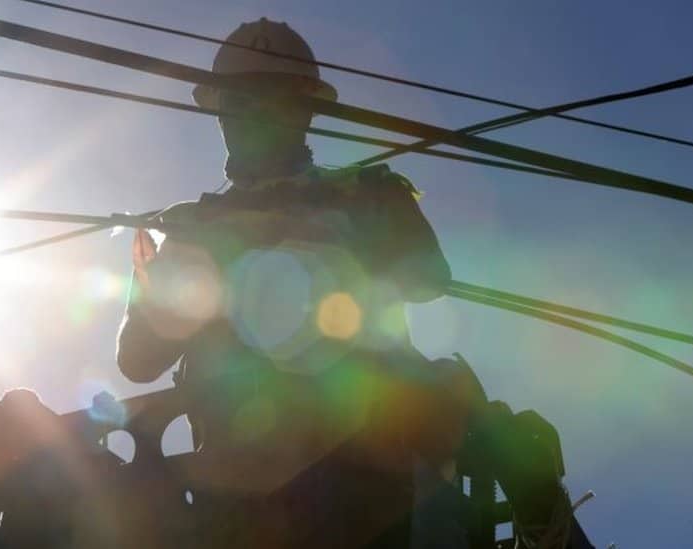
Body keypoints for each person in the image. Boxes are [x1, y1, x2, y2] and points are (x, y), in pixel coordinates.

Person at [115, 18, 482, 547]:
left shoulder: (365, 194)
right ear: (219, 109)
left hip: (364, 476)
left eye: (273, 99)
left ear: (305, 110)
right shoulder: (188, 227)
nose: (253, 116)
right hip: (236, 485)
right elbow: (138, 359)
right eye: (240, 100)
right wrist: (176, 294)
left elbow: (428, 277)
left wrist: (326, 242)